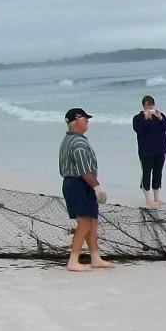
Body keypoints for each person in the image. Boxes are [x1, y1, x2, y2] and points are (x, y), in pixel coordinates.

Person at [59, 108, 112, 272]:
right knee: (84, 223)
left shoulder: (69, 139)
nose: (87, 121)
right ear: (75, 121)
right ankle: (73, 260)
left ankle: (95, 257)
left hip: (77, 183)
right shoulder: (78, 143)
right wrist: (97, 187)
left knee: (92, 221)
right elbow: (84, 171)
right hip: (78, 184)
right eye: (84, 119)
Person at [132, 94, 166, 207]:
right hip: (146, 152)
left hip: (160, 150)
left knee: (158, 173)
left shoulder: (159, 115)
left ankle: (157, 198)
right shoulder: (138, 118)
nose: (150, 109)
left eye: (151, 107)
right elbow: (138, 130)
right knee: (146, 173)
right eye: (147, 107)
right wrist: (145, 118)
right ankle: (148, 199)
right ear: (143, 107)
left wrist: (160, 118)